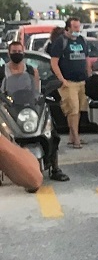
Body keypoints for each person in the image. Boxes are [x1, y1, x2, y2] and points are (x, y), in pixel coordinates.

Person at [1, 41, 69, 182]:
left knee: (51, 132)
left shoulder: (32, 70)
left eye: (19, 51)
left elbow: (36, 91)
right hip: (9, 108)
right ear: (9, 53)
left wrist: (42, 97)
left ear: (23, 52)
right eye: (14, 52)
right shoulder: (2, 71)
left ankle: (55, 168)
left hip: (30, 107)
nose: (17, 54)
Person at [49, 17, 90, 149]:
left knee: (79, 110)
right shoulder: (61, 41)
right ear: (68, 28)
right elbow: (54, 62)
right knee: (72, 110)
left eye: (79, 26)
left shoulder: (82, 40)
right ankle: (76, 138)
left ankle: (72, 136)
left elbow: (86, 58)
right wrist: (62, 79)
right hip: (68, 82)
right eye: (75, 27)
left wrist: (89, 74)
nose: (78, 29)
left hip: (81, 80)